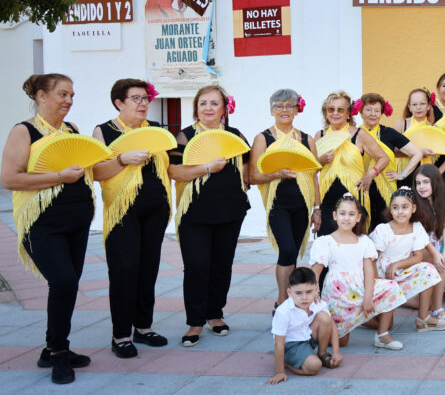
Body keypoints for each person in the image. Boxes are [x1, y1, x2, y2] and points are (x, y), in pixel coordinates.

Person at [1, 74, 95, 383]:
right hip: (42, 224)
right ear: (42, 96)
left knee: (66, 286)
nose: (69, 101)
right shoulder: (23, 131)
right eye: (62, 94)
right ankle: (57, 354)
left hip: (77, 221)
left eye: (71, 95)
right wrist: (58, 177)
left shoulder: (72, 130)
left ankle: (54, 347)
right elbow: (10, 179)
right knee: (64, 281)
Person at [91, 78, 171, 358]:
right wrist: (122, 160)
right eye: (135, 99)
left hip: (156, 209)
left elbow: (172, 165)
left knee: (149, 269)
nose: (143, 104)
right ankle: (121, 334)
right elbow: (96, 173)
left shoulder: (157, 131)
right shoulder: (104, 131)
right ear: (119, 103)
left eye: (145, 99)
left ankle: (144, 327)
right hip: (122, 212)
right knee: (124, 271)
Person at [168, 84, 250, 349]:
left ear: (224, 108)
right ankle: (194, 322)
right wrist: (206, 168)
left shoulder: (236, 136)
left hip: (230, 210)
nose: (208, 108)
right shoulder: (184, 136)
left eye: (214, 103)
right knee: (196, 266)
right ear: (196, 108)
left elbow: (246, 169)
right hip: (194, 212)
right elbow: (174, 172)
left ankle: (215, 315)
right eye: (203, 103)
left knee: (222, 265)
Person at [249, 89, 320, 310]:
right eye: (279, 106)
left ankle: (294, 302)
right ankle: (282, 301)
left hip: (302, 204)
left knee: (295, 253)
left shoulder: (307, 139)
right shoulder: (263, 138)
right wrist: (276, 174)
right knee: (287, 250)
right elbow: (253, 176)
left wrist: (317, 208)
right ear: (272, 110)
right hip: (278, 205)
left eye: (289, 105)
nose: (284, 110)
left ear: (297, 109)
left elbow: (313, 174)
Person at [308, 194, 406, 349]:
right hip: (337, 294)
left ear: (358, 218)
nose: (346, 218)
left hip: (359, 289)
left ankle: (382, 335)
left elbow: (369, 272)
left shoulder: (364, 242)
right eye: (342, 214)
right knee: (342, 342)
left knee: (391, 287)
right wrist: (314, 295)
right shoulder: (325, 242)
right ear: (335, 215)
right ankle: (313, 334)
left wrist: (368, 298)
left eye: (351, 214)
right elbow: (315, 273)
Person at [313, 90, 389, 235]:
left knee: (354, 245)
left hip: (355, 197)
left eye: (340, 109)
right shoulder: (320, 135)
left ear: (348, 113)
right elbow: (310, 169)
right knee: (327, 243)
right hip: (327, 199)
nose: (335, 113)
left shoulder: (358, 134)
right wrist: (320, 161)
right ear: (326, 112)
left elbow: (383, 158)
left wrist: (370, 174)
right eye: (331, 109)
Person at [369, 188, 445, 331]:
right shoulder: (383, 230)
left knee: (428, 270)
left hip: (400, 272)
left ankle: (423, 318)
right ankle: (362, 320)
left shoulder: (416, 228)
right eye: (395, 208)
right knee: (387, 325)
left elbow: (418, 257)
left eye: (405, 207)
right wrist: (373, 283)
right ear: (390, 210)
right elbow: (372, 259)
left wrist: (398, 264)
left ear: (413, 208)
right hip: (381, 277)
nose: (400, 212)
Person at [268, 267, 340, 385]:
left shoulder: (318, 303)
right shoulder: (283, 311)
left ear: (316, 290)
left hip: (307, 337)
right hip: (291, 346)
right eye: (298, 293)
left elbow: (331, 325)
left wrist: (336, 352)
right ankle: (287, 363)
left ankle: (322, 353)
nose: (304, 297)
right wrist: (280, 371)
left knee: (325, 317)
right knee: (315, 366)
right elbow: (279, 344)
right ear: (289, 292)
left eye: (309, 292)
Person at [359, 92, 422, 225]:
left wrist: (402, 174)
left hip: (387, 190)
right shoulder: (355, 134)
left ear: (382, 113)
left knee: (387, 228)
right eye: (368, 110)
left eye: (377, 111)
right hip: (362, 189)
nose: (372, 114)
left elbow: (417, 153)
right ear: (361, 111)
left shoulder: (389, 133)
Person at [412, 165, 445, 327]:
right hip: (417, 250)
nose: (421, 187)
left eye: (426, 182)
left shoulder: (441, 201)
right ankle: (435, 308)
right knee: (438, 260)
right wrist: (437, 254)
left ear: (435, 183)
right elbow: (420, 236)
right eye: (418, 183)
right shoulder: (415, 203)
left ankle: (437, 308)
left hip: (433, 248)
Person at [393, 88, 443, 188]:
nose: (418, 107)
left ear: (429, 106)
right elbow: (393, 151)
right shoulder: (402, 124)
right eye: (414, 104)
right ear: (409, 107)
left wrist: (438, 172)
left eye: (422, 104)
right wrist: (418, 152)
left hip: (426, 175)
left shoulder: (434, 129)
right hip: (404, 172)